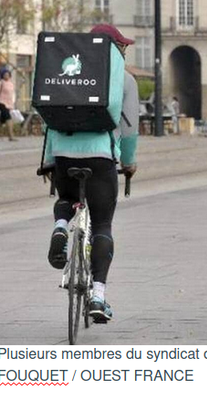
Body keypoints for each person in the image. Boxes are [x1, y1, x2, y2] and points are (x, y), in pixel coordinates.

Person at [44, 23, 139, 323]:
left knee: (66, 197)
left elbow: (50, 119)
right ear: (114, 47)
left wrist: (49, 159)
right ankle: (98, 296)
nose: (124, 50)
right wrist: (129, 161)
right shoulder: (124, 78)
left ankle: (60, 226)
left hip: (62, 153)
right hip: (100, 157)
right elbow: (130, 128)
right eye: (122, 46)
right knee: (102, 224)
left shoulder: (69, 70)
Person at [0, 69, 17, 141]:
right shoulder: (1, 83)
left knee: (2, 120)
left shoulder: (11, 83)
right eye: (5, 74)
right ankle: (11, 136)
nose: (6, 76)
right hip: (2, 102)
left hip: (9, 104)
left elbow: (12, 94)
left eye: (7, 74)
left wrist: (13, 103)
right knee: (8, 118)